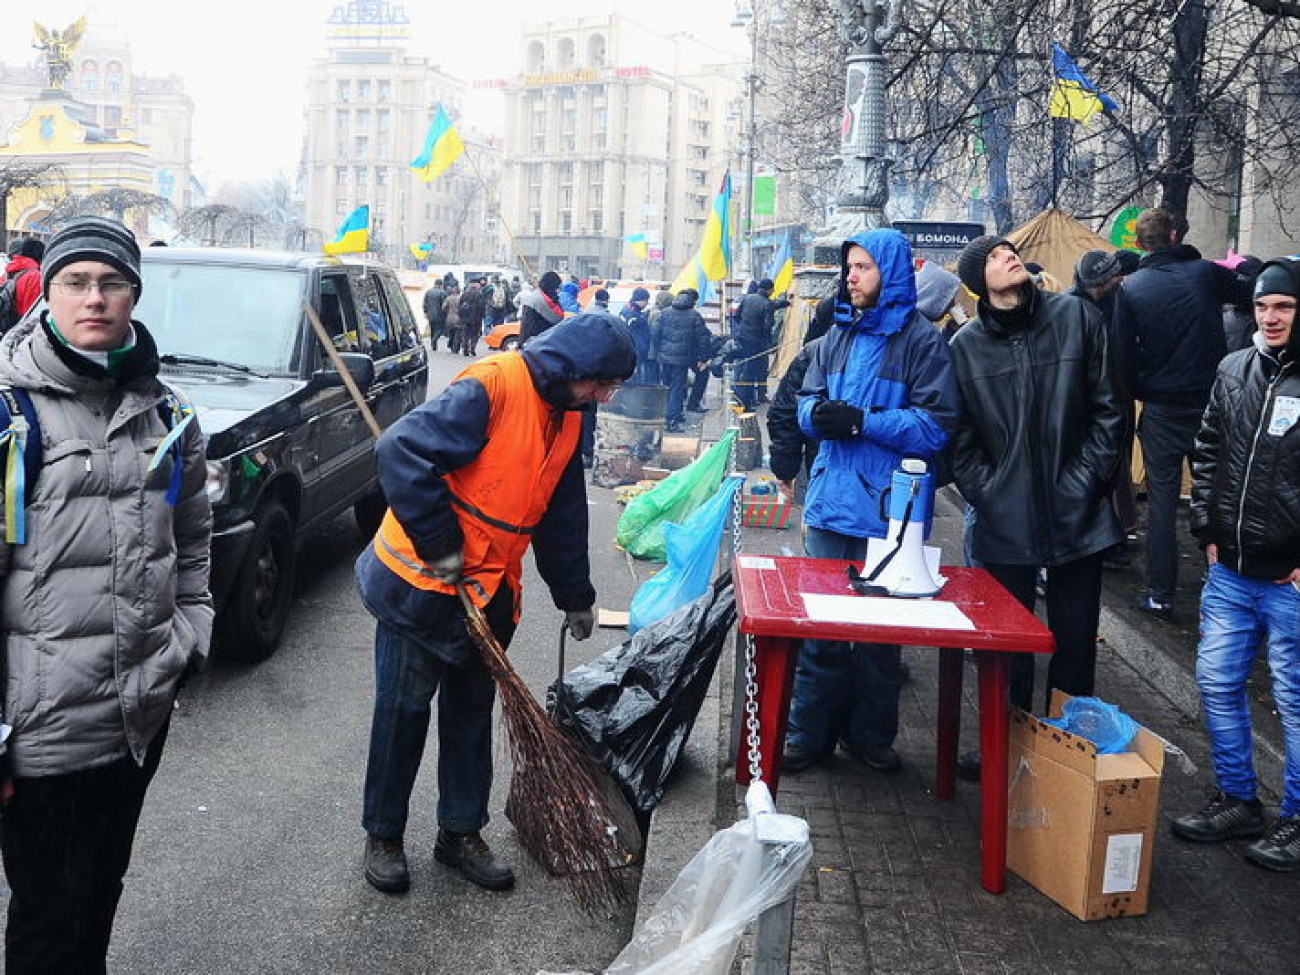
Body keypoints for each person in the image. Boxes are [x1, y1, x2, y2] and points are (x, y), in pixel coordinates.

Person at [355, 313, 635, 895]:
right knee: (402, 715)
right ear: (574, 367)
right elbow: (400, 452)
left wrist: (575, 595)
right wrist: (442, 547)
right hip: (421, 587)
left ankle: (459, 832)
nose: (605, 396)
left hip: (488, 595)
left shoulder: (568, 416)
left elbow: (560, 512)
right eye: (602, 383)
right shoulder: (493, 386)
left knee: (470, 715)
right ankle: (383, 834)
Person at [0, 217, 214, 971]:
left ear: (134, 292)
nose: (95, 298)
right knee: (43, 917)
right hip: (40, 733)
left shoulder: (170, 411)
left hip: (136, 717)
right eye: (76, 282)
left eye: (111, 281)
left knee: (99, 893)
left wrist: (191, 630)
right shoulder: (9, 417)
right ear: (47, 293)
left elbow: (192, 535)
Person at [781, 229, 958, 774]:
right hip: (831, 503)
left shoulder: (923, 343)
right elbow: (801, 402)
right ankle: (807, 734)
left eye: (862, 267)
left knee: (881, 640)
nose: (851, 277)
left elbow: (936, 427)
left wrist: (863, 421)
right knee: (822, 632)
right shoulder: (834, 334)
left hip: (891, 514)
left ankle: (871, 735)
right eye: (849, 267)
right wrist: (818, 417)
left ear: (891, 274)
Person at [949, 235, 1123, 773]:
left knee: (1074, 642)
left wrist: (1082, 483)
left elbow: (1110, 411)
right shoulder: (966, 347)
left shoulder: (1076, 317)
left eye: (1009, 250)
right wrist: (991, 490)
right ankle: (1006, 742)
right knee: (1007, 645)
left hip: (1079, 513)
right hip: (1006, 518)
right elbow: (960, 438)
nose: (1008, 255)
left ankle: (1066, 751)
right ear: (981, 283)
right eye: (995, 256)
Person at [1169, 258, 1300, 871]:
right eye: (1263, 306)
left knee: (1293, 698)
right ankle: (1238, 800)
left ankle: (1295, 818)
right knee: (1218, 684)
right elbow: (1210, 447)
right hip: (1231, 568)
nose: (1270, 317)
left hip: (1290, 577)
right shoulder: (1234, 368)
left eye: (1285, 307)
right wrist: (1205, 528)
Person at [1113, 209, 1251, 620]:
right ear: (1175, 235)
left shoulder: (1131, 288)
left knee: (1161, 503)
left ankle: (1160, 593)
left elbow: (1122, 356)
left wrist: (1144, 390)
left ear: (1138, 244)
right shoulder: (1205, 273)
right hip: (1212, 404)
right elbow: (1248, 298)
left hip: (1161, 409)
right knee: (1218, 497)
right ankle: (1225, 587)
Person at [1070, 249, 1142, 569]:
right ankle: (1098, 542)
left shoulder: (1107, 302)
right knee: (1100, 475)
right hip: (1092, 406)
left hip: (1106, 402)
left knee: (1111, 474)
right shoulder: (1078, 309)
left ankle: (1107, 538)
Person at [767, 296, 834, 503]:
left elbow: (785, 413)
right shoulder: (814, 351)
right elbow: (786, 413)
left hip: (822, 465)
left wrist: (785, 471)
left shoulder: (813, 350)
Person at [651, 288, 712, 433]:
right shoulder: (694, 316)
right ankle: (672, 421)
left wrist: (659, 351)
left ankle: (669, 415)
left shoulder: (664, 313)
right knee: (677, 388)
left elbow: (655, 333)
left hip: (665, 357)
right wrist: (703, 358)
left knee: (667, 387)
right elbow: (703, 338)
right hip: (682, 358)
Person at [731, 278, 790, 411]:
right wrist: (768, 341)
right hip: (757, 343)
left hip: (743, 338)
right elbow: (768, 325)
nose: (773, 291)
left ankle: (741, 398)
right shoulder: (766, 304)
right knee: (752, 372)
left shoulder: (747, 298)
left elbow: (736, 316)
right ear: (769, 289)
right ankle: (746, 403)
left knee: (742, 368)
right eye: (772, 289)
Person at [2, 238, 45, 331]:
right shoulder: (35, 276)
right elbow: (32, 316)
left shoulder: (7, 273)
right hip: (20, 332)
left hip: (5, 330)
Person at [619, 286, 656, 385]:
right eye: (646, 300)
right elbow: (631, 330)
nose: (647, 303)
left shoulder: (632, 311)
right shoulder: (631, 314)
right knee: (633, 382)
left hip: (637, 352)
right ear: (641, 300)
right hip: (634, 352)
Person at [518, 270, 564, 345]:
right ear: (552, 286)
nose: (558, 291)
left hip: (544, 343)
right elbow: (526, 327)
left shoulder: (550, 298)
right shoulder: (535, 299)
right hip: (537, 344)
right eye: (557, 287)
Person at [457, 278, 486, 356]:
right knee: (475, 334)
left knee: (465, 334)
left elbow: (460, 306)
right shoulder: (479, 295)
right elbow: (482, 307)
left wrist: (461, 316)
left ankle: (465, 349)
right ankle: (472, 348)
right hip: (476, 319)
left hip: (465, 319)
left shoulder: (464, 294)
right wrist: (482, 316)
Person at [422, 276, 448, 351]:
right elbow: (444, 305)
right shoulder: (442, 293)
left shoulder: (428, 292)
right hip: (439, 314)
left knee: (432, 329)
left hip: (430, 314)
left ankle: (433, 345)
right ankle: (434, 339)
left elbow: (424, 303)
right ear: (441, 285)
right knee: (440, 329)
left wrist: (425, 312)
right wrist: (445, 313)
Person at [442, 281, 463, 355]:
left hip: (449, 318)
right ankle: (455, 348)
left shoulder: (448, 298)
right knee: (458, 334)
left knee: (451, 333)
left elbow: (443, 307)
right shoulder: (461, 299)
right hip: (459, 318)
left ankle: (450, 345)